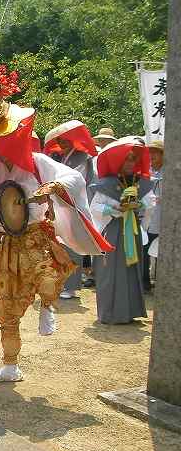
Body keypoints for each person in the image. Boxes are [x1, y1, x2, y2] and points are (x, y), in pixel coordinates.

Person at [0, 54, 112, 384]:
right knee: (5, 303)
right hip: (7, 241)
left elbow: (74, 178)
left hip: (35, 235)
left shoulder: (38, 161)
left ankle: (47, 304)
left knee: (47, 276)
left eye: (0, 144)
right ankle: (10, 365)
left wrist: (54, 186)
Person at [90, 138, 154, 324]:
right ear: (118, 161)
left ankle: (130, 311)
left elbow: (151, 201)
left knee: (131, 269)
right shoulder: (107, 184)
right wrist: (114, 210)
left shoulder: (140, 182)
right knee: (110, 271)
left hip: (132, 229)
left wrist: (139, 204)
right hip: (113, 230)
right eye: (127, 159)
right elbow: (95, 207)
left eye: (133, 159)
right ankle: (110, 312)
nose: (130, 163)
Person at [44, 121, 98, 299]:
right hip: (60, 204)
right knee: (59, 244)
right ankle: (60, 283)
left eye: (65, 140)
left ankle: (72, 286)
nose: (62, 143)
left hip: (75, 206)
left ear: (72, 140)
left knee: (73, 244)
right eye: (59, 141)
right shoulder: (59, 158)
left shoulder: (82, 158)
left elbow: (77, 181)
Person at [143, 139, 163, 291]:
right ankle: (144, 282)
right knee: (144, 249)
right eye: (150, 153)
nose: (152, 155)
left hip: (164, 217)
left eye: (155, 152)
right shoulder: (146, 171)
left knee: (162, 251)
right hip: (147, 216)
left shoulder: (171, 171)